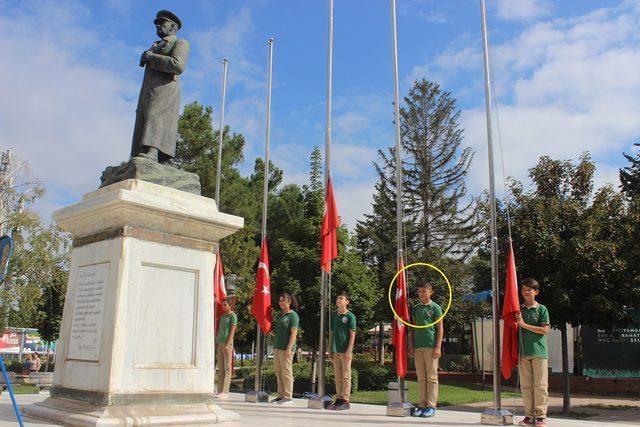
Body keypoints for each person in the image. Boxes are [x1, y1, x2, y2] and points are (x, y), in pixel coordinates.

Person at [131, 10, 190, 163]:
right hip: (148, 91)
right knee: (144, 118)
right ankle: (141, 152)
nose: (158, 26)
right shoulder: (155, 45)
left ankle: (153, 152)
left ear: (173, 26)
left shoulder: (180, 43)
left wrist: (152, 58)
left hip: (165, 89)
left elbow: (178, 65)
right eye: (157, 23)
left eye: (161, 23)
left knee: (155, 116)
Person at [515, 278, 550, 427]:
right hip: (523, 353)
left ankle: (541, 417)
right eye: (524, 289)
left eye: (529, 289)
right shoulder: (519, 310)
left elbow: (544, 330)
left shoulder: (541, 309)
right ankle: (529, 416)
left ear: (536, 292)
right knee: (526, 386)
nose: (526, 292)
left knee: (540, 386)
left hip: (539, 353)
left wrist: (524, 325)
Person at [409, 282, 444, 418]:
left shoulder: (435, 308)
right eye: (419, 291)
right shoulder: (416, 308)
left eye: (424, 291)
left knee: (432, 377)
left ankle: (431, 406)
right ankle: (422, 405)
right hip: (418, 347)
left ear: (430, 292)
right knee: (421, 378)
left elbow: (440, 328)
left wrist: (438, 346)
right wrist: (411, 344)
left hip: (431, 346)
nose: (421, 294)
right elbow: (412, 328)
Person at [328, 291, 356, 411]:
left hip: (345, 351)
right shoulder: (334, 316)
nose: (338, 300)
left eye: (341, 298)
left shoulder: (350, 316)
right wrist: (330, 348)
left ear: (347, 302)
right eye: (337, 298)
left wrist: (349, 350)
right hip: (335, 350)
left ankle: (345, 399)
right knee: (338, 376)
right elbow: (332, 333)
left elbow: (352, 334)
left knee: (346, 375)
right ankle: (339, 398)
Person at [271, 292, 299, 404]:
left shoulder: (293, 316)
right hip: (277, 347)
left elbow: (293, 333)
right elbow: (277, 332)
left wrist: (289, 348)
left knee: (286, 372)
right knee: (279, 371)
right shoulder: (279, 316)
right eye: (280, 300)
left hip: (287, 349)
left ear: (289, 301)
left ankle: (288, 396)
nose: (281, 302)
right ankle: (280, 394)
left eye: (283, 300)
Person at [215, 299, 237, 399]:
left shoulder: (233, 316)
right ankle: (219, 390)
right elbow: (220, 330)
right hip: (220, 342)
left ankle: (225, 391)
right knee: (221, 367)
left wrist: (228, 345)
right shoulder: (223, 316)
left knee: (227, 367)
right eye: (222, 305)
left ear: (230, 305)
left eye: (225, 305)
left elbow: (232, 331)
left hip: (227, 343)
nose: (223, 307)